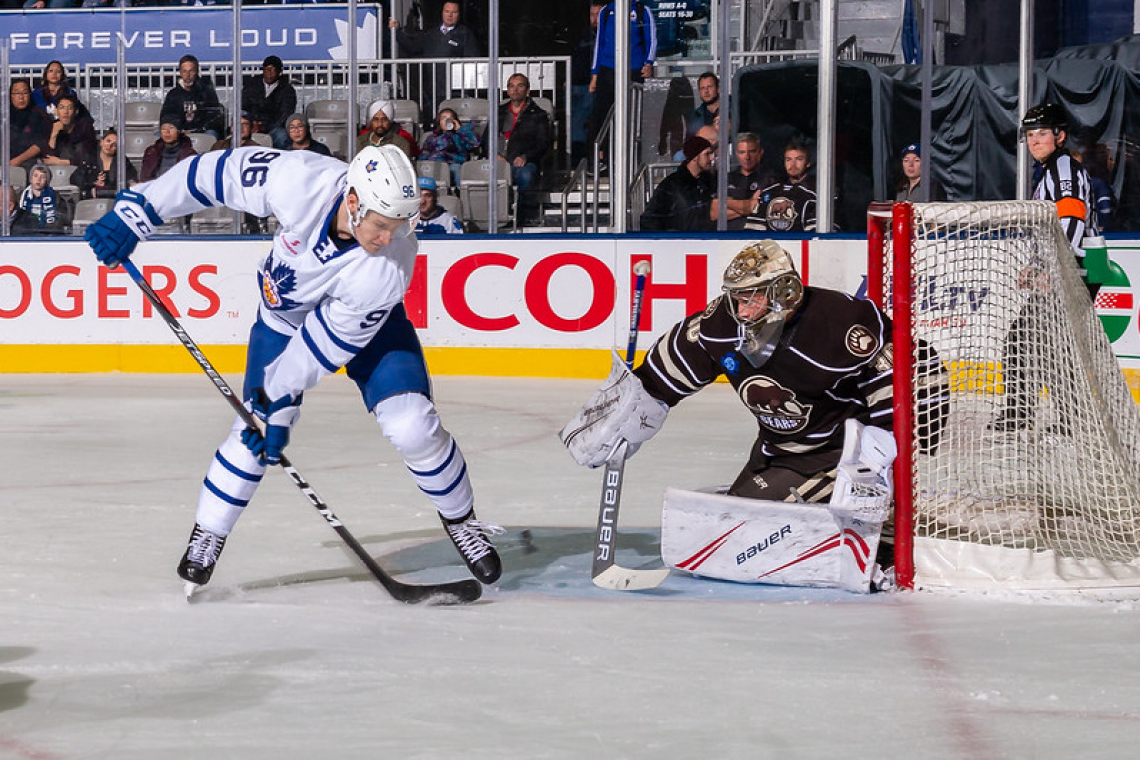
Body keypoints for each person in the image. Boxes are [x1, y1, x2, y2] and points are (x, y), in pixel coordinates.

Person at [83, 144, 502, 591]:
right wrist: (140, 210)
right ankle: (209, 531)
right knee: (254, 435)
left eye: (398, 227)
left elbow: (319, 347)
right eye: (381, 226)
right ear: (354, 202)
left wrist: (274, 391)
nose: (387, 238)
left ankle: (461, 520)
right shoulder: (299, 179)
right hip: (282, 320)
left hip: (365, 326)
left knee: (412, 425)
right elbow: (208, 174)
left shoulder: (390, 263)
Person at [560, 242, 903, 583]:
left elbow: (907, 372)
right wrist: (631, 411)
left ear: (784, 291)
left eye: (751, 297)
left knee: (745, 543)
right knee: (728, 536)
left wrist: (882, 448)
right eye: (737, 297)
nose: (740, 310)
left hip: (834, 456)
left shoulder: (838, 324)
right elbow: (666, 371)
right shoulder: (722, 325)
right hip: (777, 452)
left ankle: (882, 534)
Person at [990, 103, 1096, 433]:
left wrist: (1055, 269)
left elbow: (1072, 219)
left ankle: (1059, 418)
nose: (1035, 141)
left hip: (1072, 272)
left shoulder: (1063, 169)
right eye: (1031, 135)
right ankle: (1049, 415)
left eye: (1042, 134)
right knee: (1035, 341)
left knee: (1032, 341)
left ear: (1059, 136)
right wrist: (1037, 264)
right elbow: (1051, 227)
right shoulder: (1050, 171)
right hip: (1065, 269)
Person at [389, 0, 481, 125]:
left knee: (454, 125)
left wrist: (468, 91)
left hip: (457, 91)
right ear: (442, 13)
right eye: (447, 11)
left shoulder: (465, 34)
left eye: (454, 12)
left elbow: (473, 62)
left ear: (459, 15)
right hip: (433, 90)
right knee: (435, 124)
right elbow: (412, 46)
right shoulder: (431, 34)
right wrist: (396, 31)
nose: (450, 15)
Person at [589, 0, 656, 158]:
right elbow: (599, 44)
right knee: (603, 114)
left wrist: (649, 63)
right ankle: (602, 155)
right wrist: (594, 75)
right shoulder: (606, 11)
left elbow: (651, 39)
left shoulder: (642, 10)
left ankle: (633, 155)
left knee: (632, 114)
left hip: (633, 69)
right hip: (608, 69)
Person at [639, 134, 715, 232]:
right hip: (679, 243)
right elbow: (649, 219)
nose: (711, 158)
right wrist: (669, 240)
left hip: (707, 242)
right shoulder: (671, 185)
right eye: (707, 154)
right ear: (695, 156)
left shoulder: (709, 182)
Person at [497, 73, 550, 207]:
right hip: (497, 161)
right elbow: (486, 139)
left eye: (520, 86)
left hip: (522, 162)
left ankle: (519, 213)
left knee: (525, 175)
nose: (515, 90)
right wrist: (494, 155)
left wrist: (525, 157)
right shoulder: (498, 112)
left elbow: (543, 144)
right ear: (508, 90)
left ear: (527, 90)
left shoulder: (538, 114)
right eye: (511, 86)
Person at [745, 140, 818, 232]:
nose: (793, 164)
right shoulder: (770, 191)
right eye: (788, 159)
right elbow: (753, 229)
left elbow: (816, 236)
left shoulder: (817, 192)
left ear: (808, 163)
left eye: (799, 159)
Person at [716, 132, 778, 231]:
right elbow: (715, 212)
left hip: (758, 236)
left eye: (752, 151)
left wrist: (726, 202)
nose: (747, 157)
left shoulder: (770, 178)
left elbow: (761, 209)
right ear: (736, 153)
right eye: (742, 152)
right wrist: (749, 206)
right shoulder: (727, 178)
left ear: (760, 152)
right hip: (728, 236)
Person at [161, 54, 225, 140]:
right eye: (184, 71)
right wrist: (178, 129)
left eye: (191, 71)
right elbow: (166, 117)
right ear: (180, 72)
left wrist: (199, 129)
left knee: (211, 134)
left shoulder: (207, 92)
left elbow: (213, 116)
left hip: (202, 131)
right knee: (159, 135)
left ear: (197, 72)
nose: (188, 75)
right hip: (179, 132)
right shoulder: (173, 94)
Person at [241, 55, 297, 150]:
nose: (269, 74)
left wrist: (264, 126)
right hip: (250, 124)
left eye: (273, 70)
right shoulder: (251, 85)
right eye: (266, 70)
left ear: (280, 72)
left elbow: (284, 115)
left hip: (273, 126)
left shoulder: (288, 90)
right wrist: (252, 123)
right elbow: (243, 106)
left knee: (281, 136)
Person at [420, 107, 482, 189]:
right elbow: (425, 153)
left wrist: (460, 129)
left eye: (449, 118)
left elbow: (475, 144)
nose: (446, 121)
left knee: (456, 169)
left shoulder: (461, 135)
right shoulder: (432, 137)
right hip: (436, 163)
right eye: (443, 118)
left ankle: (460, 191)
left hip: (455, 162)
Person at [70, 128, 139, 200]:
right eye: (108, 141)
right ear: (101, 142)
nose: (109, 146)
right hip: (92, 199)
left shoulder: (122, 161)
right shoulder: (89, 160)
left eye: (114, 144)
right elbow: (74, 179)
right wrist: (94, 183)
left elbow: (131, 178)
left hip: (115, 198)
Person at [42, 93, 98, 168]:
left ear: (76, 112)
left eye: (70, 108)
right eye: (62, 107)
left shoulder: (85, 127)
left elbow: (88, 158)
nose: (65, 112)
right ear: (56, 111)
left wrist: (61, 162)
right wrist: (54, 134)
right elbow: (47, 159)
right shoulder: (51, 127)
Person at [10, 78, 51, 171]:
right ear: (11, 96)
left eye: (25, 92)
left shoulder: (39, 115)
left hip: (28, 160)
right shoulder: (4, 115)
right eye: (16, 93)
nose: (21, 97)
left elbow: (40, 144)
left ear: (30, 95)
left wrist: (18, 160)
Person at [140, 118, 197, 183]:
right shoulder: (151, 152)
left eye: (171, 128)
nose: (167, 132)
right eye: (163, 129)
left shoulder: (189, 154)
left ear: (179, 131)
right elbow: (144, 177)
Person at [18, 163, 62, 232]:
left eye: (43, 177)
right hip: (27, 232)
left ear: (47, 181)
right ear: (30, 179)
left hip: (49, 232)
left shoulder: (55, 196)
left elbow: (59, 218)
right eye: (35, 176)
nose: (38, 179)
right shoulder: (22, 195)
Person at [688, 72, 720, 137]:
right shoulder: (695, 117)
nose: (706, 91)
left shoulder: (733, 109)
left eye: (709, 87)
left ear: (718, 89)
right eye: (702, 88)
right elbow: (690, 143)